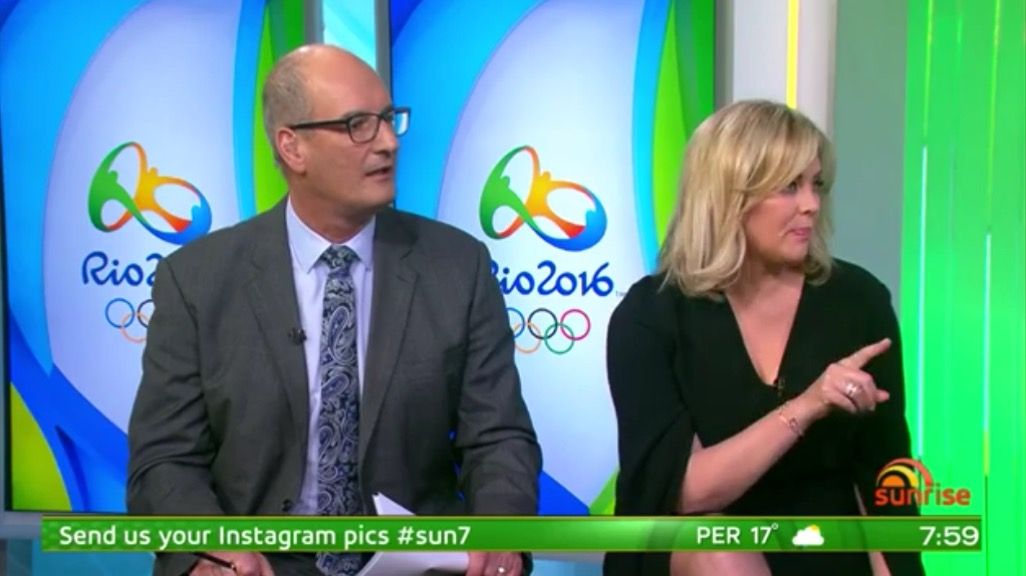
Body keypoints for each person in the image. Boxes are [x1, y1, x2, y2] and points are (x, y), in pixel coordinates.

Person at [127, 44, 541, 576]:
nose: (388, 142)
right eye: (358, 125)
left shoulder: (457, 267)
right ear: (292, 147)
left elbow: (499, 437)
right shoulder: (197, 280)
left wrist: (500, 533)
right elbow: (165, 459)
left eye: (389, 119)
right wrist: (213, 552)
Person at [604, 100, 925, 576]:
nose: (811, 204)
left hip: (821, 547)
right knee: (718, 547)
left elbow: (881, 479)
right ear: (729, 195)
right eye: (788, 186)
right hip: (692, 548)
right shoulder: (652, 316)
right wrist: (808, 406)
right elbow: (685, 491)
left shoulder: (858, 302)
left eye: (816, 184)